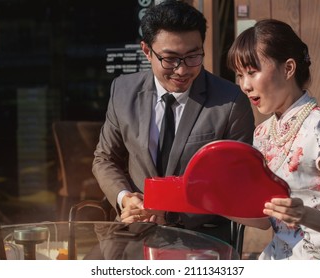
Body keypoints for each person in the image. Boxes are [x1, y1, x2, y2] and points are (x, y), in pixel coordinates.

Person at [92, 0, 255, 244]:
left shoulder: (230, 102)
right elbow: (105, 158)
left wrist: (170, 212)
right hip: (134, 234)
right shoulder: (123, 91)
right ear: (147, 51)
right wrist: (126, 198)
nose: (182, 70)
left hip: (202, 238)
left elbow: (237, 183)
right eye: (170, 59)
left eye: (193, 56)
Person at [226, 18, 320, 259]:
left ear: (288, 68)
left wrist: (304, 215)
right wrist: (210, 200)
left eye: (252, 72)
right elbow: (263, 220)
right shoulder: (262, 133)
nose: (245, 85)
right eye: (239, 75)